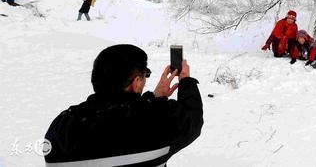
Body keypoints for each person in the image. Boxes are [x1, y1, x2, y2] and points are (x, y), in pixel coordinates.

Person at [44, 44, 203, 166]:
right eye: (144, 76)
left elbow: (116, 116)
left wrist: (154, 99)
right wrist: (186, 82)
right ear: (137, 82)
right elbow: (192, 121)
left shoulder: (60, 127)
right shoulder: (157, 122)